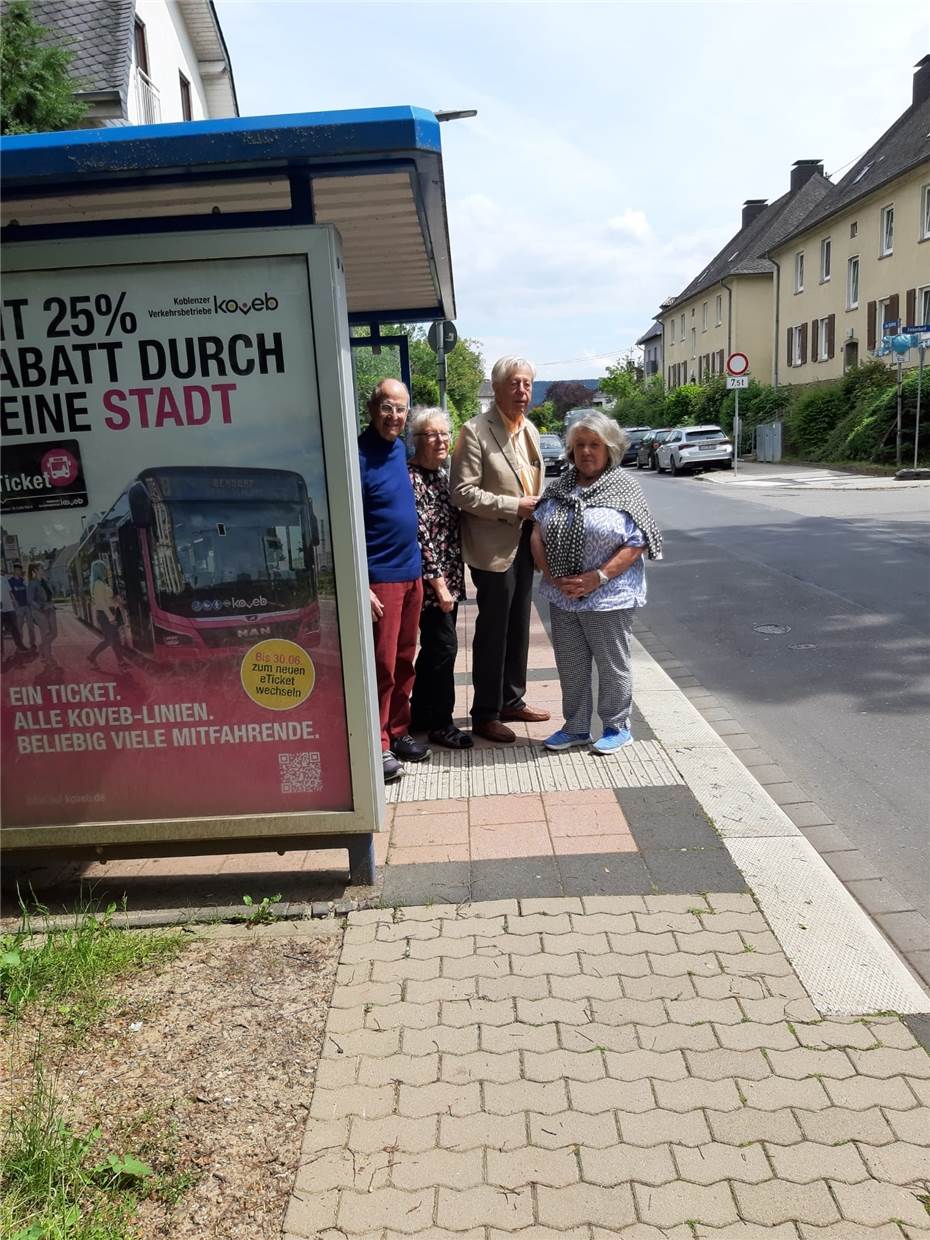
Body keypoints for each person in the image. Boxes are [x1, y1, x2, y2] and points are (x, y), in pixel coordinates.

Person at [530, 411, 663, 755]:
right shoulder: (559, 487)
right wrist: (551, 575)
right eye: (580, 445)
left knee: (610, 663)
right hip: (563, 596)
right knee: (571, 665)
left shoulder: (625, 486)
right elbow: (536, 532)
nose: (587, 452)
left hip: (609, 595)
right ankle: (575, 727)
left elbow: (637, 541)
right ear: (571, 451)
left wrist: (597, 577)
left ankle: (617, 726)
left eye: (595, 445)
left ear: (609, 449)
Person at [449, 356, 550, 744]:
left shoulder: (531, 430)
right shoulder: (474, 431)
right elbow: (462, 492)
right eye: (515, 384)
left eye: (527, 384)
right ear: (496, 387)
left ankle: (512, 699)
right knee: (493, 630)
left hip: (525, 540)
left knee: (519, 625)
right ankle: (485, 713)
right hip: (492, 546)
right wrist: (514, 507)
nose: (522, 391)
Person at [358, 378, 431, 782]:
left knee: (405, 660)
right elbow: (344, 523)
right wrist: (361, 584)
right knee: (382, 665)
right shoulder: (357, 455)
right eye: (387, 407)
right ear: (372, 408)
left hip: (410, 573)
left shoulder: (399, 448)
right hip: (379, 578)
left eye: (401, 409)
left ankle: (398, 732)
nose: (394, 416)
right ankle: (378, 745)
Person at [408, 406, 472, 750]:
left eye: (444, 433)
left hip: (450, 580)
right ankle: (441, 723)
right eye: (431, 434)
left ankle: (419, 713)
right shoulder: (411, 478)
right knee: (445, 648)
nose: (440, 440)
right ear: (416, 440)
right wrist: (439, 585)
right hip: (432, 585)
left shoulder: (446, 476)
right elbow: (421, 537)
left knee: (435, 648)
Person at [87, 559, 128, 670]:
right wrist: (111, 618)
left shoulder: (102, 583)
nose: (105, 570)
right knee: (109, 640)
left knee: (116, 639)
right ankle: (92, 656)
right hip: (105, 615)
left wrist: (116, 603)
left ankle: (121, 661)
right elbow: (101, 603)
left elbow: (107, 601)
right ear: (99, 570)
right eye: (103, 568)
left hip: (108, 613)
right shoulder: (98, 584)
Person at [27, 561, 60, 672]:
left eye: (43, 568)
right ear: (35, 571)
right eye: (41, 568)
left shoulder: (45, 581)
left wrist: (48, 582)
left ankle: (42, 648)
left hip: (50, 608)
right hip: (40, 611)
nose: (43, 569)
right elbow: (30, 600)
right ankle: (48, 658)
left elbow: (52, 593)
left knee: (54, 633)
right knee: (46, 635)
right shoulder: (32, 583)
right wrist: (41, 607)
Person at [7, 561, 35, 650]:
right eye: (17, 570)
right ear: (14, 570)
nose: (19, 571)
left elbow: (29, 592)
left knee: (31, 626)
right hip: (19, 608)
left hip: (27, 606)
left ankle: (32, 643)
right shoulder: (10, 581)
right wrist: (14, 603)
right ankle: (20, 644)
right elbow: (10, 593)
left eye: (20, 570)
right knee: (19, 627)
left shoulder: (23, 580)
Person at [1, 572, 25, 654]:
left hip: (9, 608)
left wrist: (14, 602)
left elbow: (10, 592)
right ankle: (1, 651)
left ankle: (20, 646)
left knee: (15, 628)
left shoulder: (3, 579)